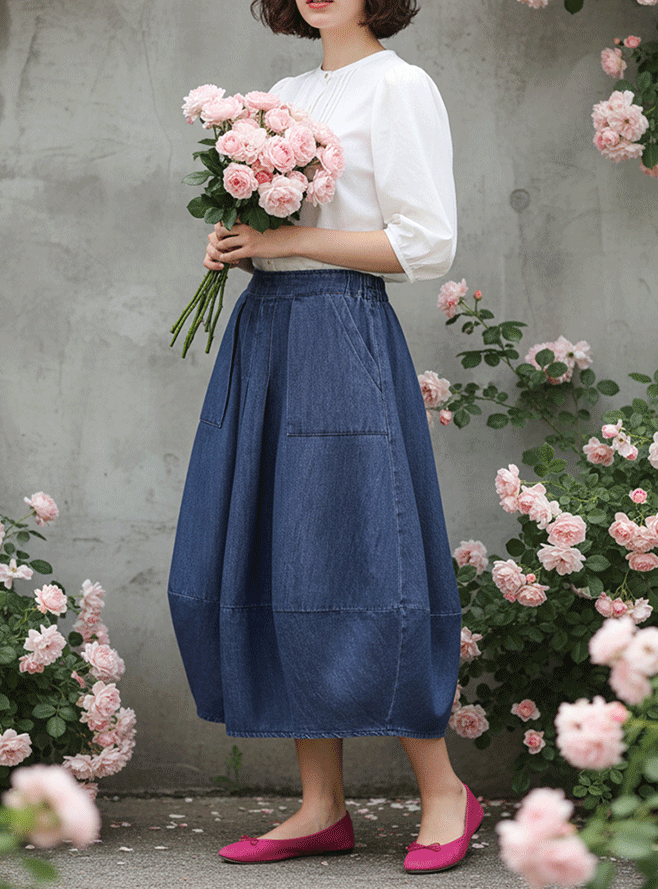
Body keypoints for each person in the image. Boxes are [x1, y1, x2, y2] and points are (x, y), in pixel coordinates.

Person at [167, 0, 482, 874]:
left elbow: (426, 245)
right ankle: (320, 804)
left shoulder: (399, 87)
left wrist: (291, 235)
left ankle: (444, 791)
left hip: (342, 332)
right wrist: (238, 244)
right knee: (284, 552)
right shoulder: (286, 92)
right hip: (267, 328)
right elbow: (280, 234)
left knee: (364, 553)